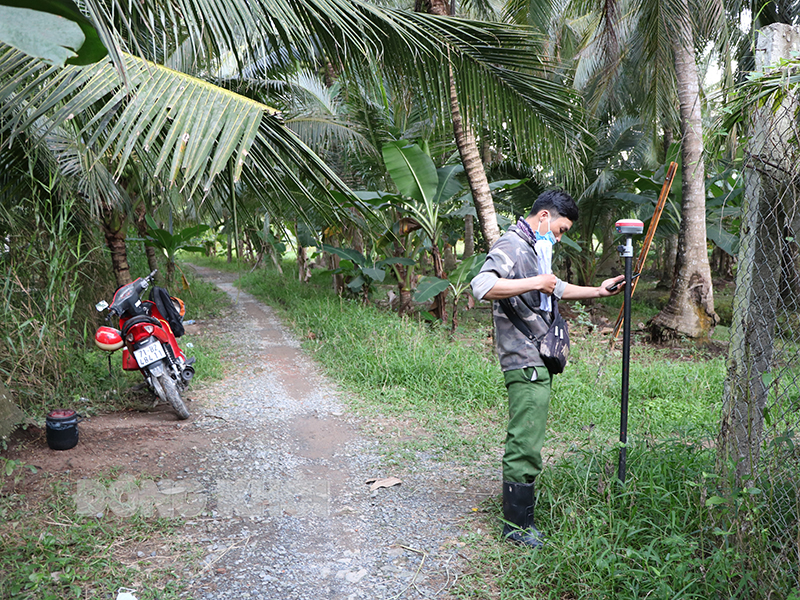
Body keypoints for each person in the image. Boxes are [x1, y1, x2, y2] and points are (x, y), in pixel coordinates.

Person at [470, 189, 624, 548]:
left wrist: (598, 292)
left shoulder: (535, 249)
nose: (558, 237)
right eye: (560, 229)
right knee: (525, 441)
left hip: (535, 360)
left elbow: (555, 289)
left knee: (530, 437)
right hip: (523, 360)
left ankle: (520, 520)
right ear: (543, 217)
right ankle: (517, 528)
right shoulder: (513, 244)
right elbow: (482, 285)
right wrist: (537, 281)